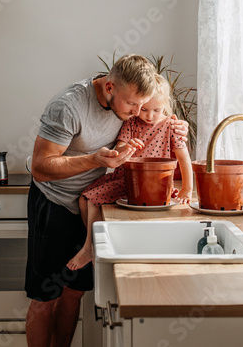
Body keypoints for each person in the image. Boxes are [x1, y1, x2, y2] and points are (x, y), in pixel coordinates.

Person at [25, 54, 188, 347]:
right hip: (55, 205)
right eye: (132, 105)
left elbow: (154, 119)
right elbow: (40, 167)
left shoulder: (132, 102)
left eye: (144, 105)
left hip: (93, 209)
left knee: (75, 292)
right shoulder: (68, 106)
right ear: (110, 87)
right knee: (44, 297)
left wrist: (177, 126)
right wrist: (93, 159)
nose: (138, 112)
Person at [67, 73, 193, 271]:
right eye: (144, 109)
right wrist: (127, 148)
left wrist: (187, 190)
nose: (150, 116)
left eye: (157, 110)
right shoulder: (132, 123)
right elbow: (118, 150)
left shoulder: (171, 126)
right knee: (83, 199)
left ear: (166, 105)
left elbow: (184, 159)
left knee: (91, 199)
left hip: (153, 184)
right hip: (127, 178)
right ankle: (95, 243)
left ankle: (90, 246)